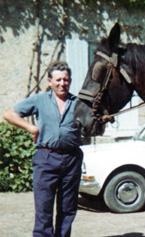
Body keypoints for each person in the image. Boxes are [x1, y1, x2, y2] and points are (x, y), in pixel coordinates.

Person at [3, 61, 83, 237]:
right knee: (43, 209)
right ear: (49, 81)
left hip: (72, 160)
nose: (62, 83)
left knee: (67, 209)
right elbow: (9, 114)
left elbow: (92, 125)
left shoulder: (78, 103)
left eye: (66, 80)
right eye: (58, 80)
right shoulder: (39, 100)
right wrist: (31, 128)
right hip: (46, 158)